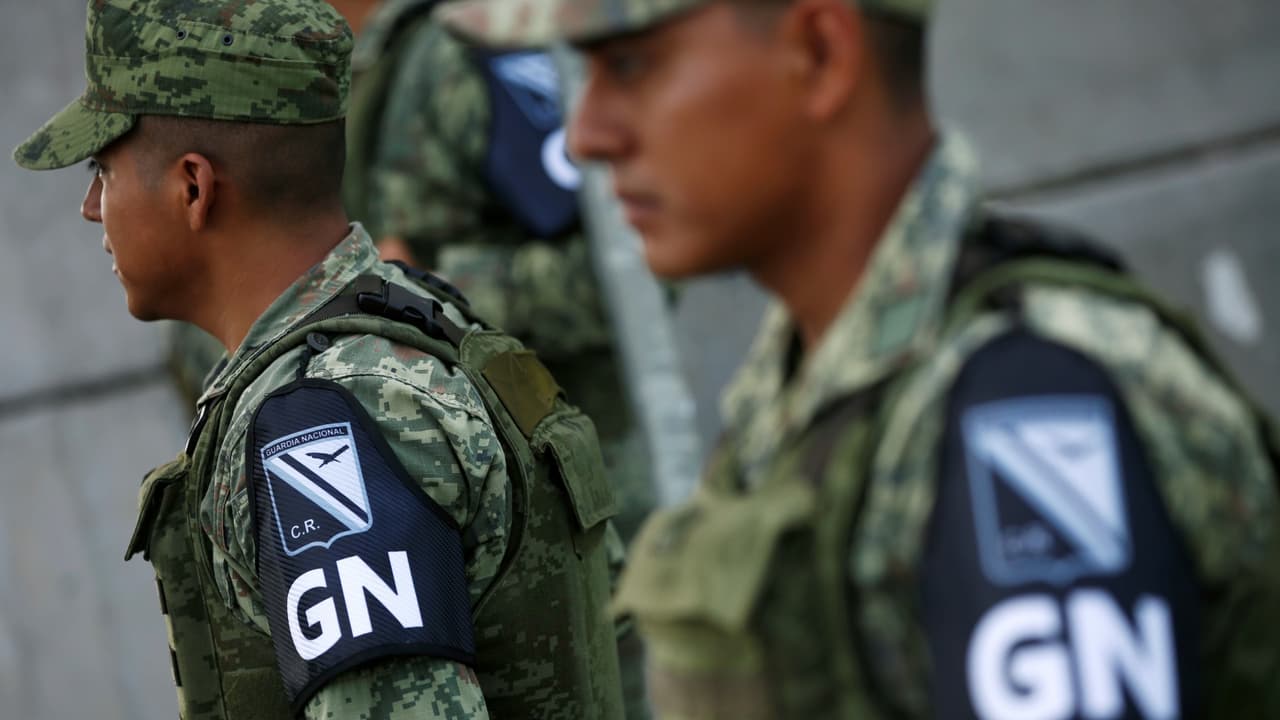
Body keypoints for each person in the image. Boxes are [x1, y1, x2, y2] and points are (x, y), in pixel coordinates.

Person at [442, 0, 1280, 717]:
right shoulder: (814, 379)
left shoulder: (1022, 406)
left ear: (820, 53)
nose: (586, 136)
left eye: (631, 65)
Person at [14, 1, 626, 718]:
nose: (91, 206)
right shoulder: (416, 313)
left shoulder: (323, 424)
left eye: (104, 170)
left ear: (193, 187)